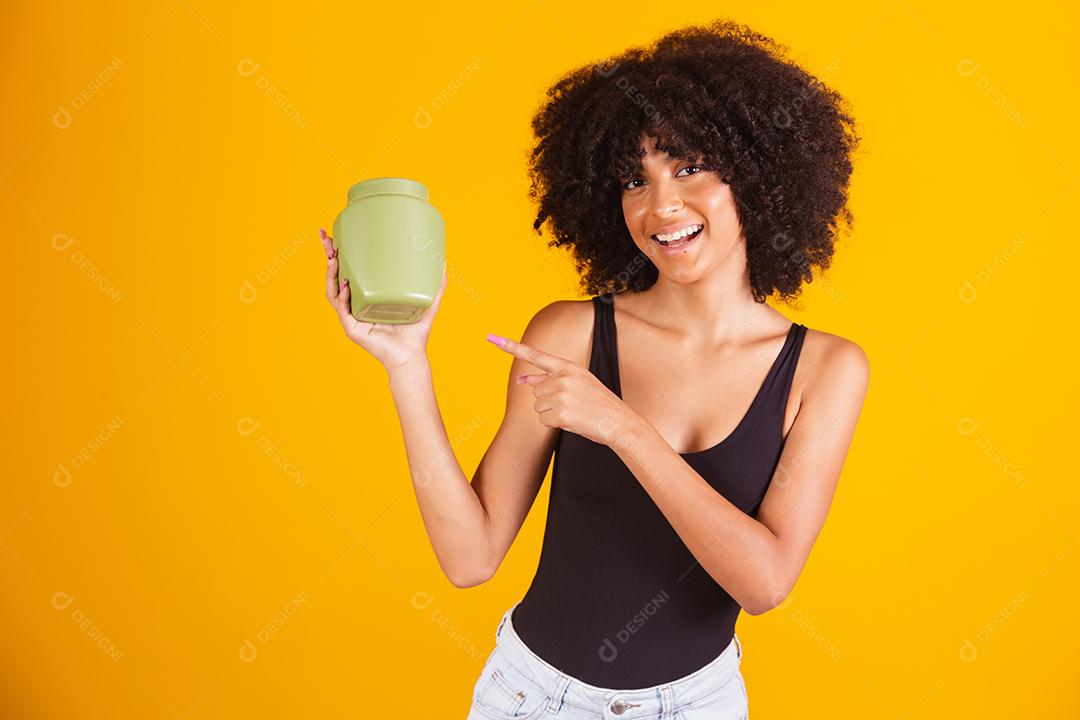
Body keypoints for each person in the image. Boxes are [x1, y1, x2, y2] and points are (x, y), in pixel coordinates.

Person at [320, 18, 869, 720]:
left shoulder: (824, 369)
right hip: (530, 697)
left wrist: (621, 427)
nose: (661, 204)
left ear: (756, 175)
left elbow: (764, 582)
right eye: (633, 180)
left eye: (690, 166)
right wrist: (405, 367)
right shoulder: (571, 334)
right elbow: (469, 559)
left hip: (697, 705)